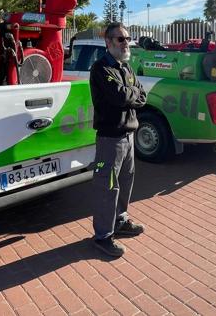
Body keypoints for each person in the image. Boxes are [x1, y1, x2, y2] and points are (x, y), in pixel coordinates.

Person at [89, 22, 147, 257]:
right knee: (107, 187)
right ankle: (103, 236)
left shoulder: (126, 67)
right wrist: (130, 93)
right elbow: (119, 96)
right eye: (121, 39)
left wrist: (130, 93)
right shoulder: (101, 69)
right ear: (108, 42)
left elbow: (141, 96)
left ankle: (120, 221)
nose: (126, 43)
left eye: (127, 38)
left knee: (126, 181)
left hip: (128, 136)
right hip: (110, 139)